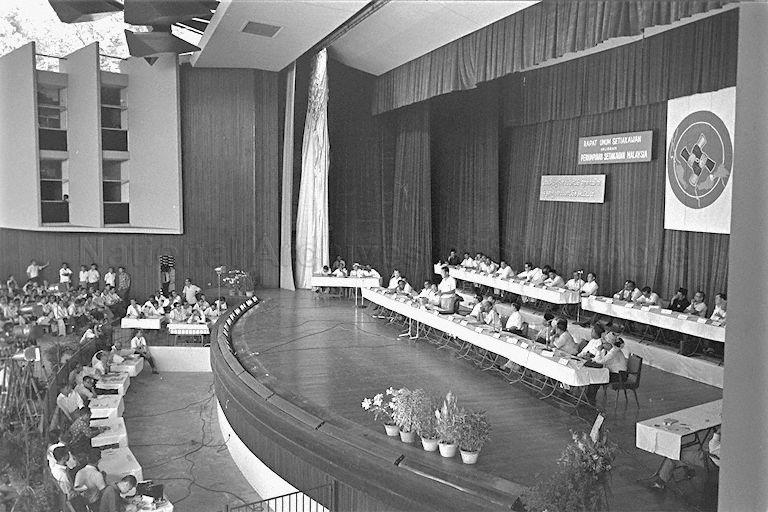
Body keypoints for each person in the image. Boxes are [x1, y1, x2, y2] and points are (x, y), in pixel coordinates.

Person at [650, 428, 722, 490]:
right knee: (693, 450)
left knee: (674, 456)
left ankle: (660, 482)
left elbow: (713, 445)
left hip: (710, 461)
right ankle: (689, 471)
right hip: (720, 462)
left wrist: (717, 434)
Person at [585, 333, 628, 406]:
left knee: (596, 379)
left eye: (604, 343)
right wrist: (591, 359)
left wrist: (598, 350)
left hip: (619, 376)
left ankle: (590, 401)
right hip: (612, 373)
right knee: (595, 378)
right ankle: (588, 399)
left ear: (610, 344)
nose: (602, 345)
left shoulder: (614, 351)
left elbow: (601, 361)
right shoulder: (608, 350)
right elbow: (599, 359)